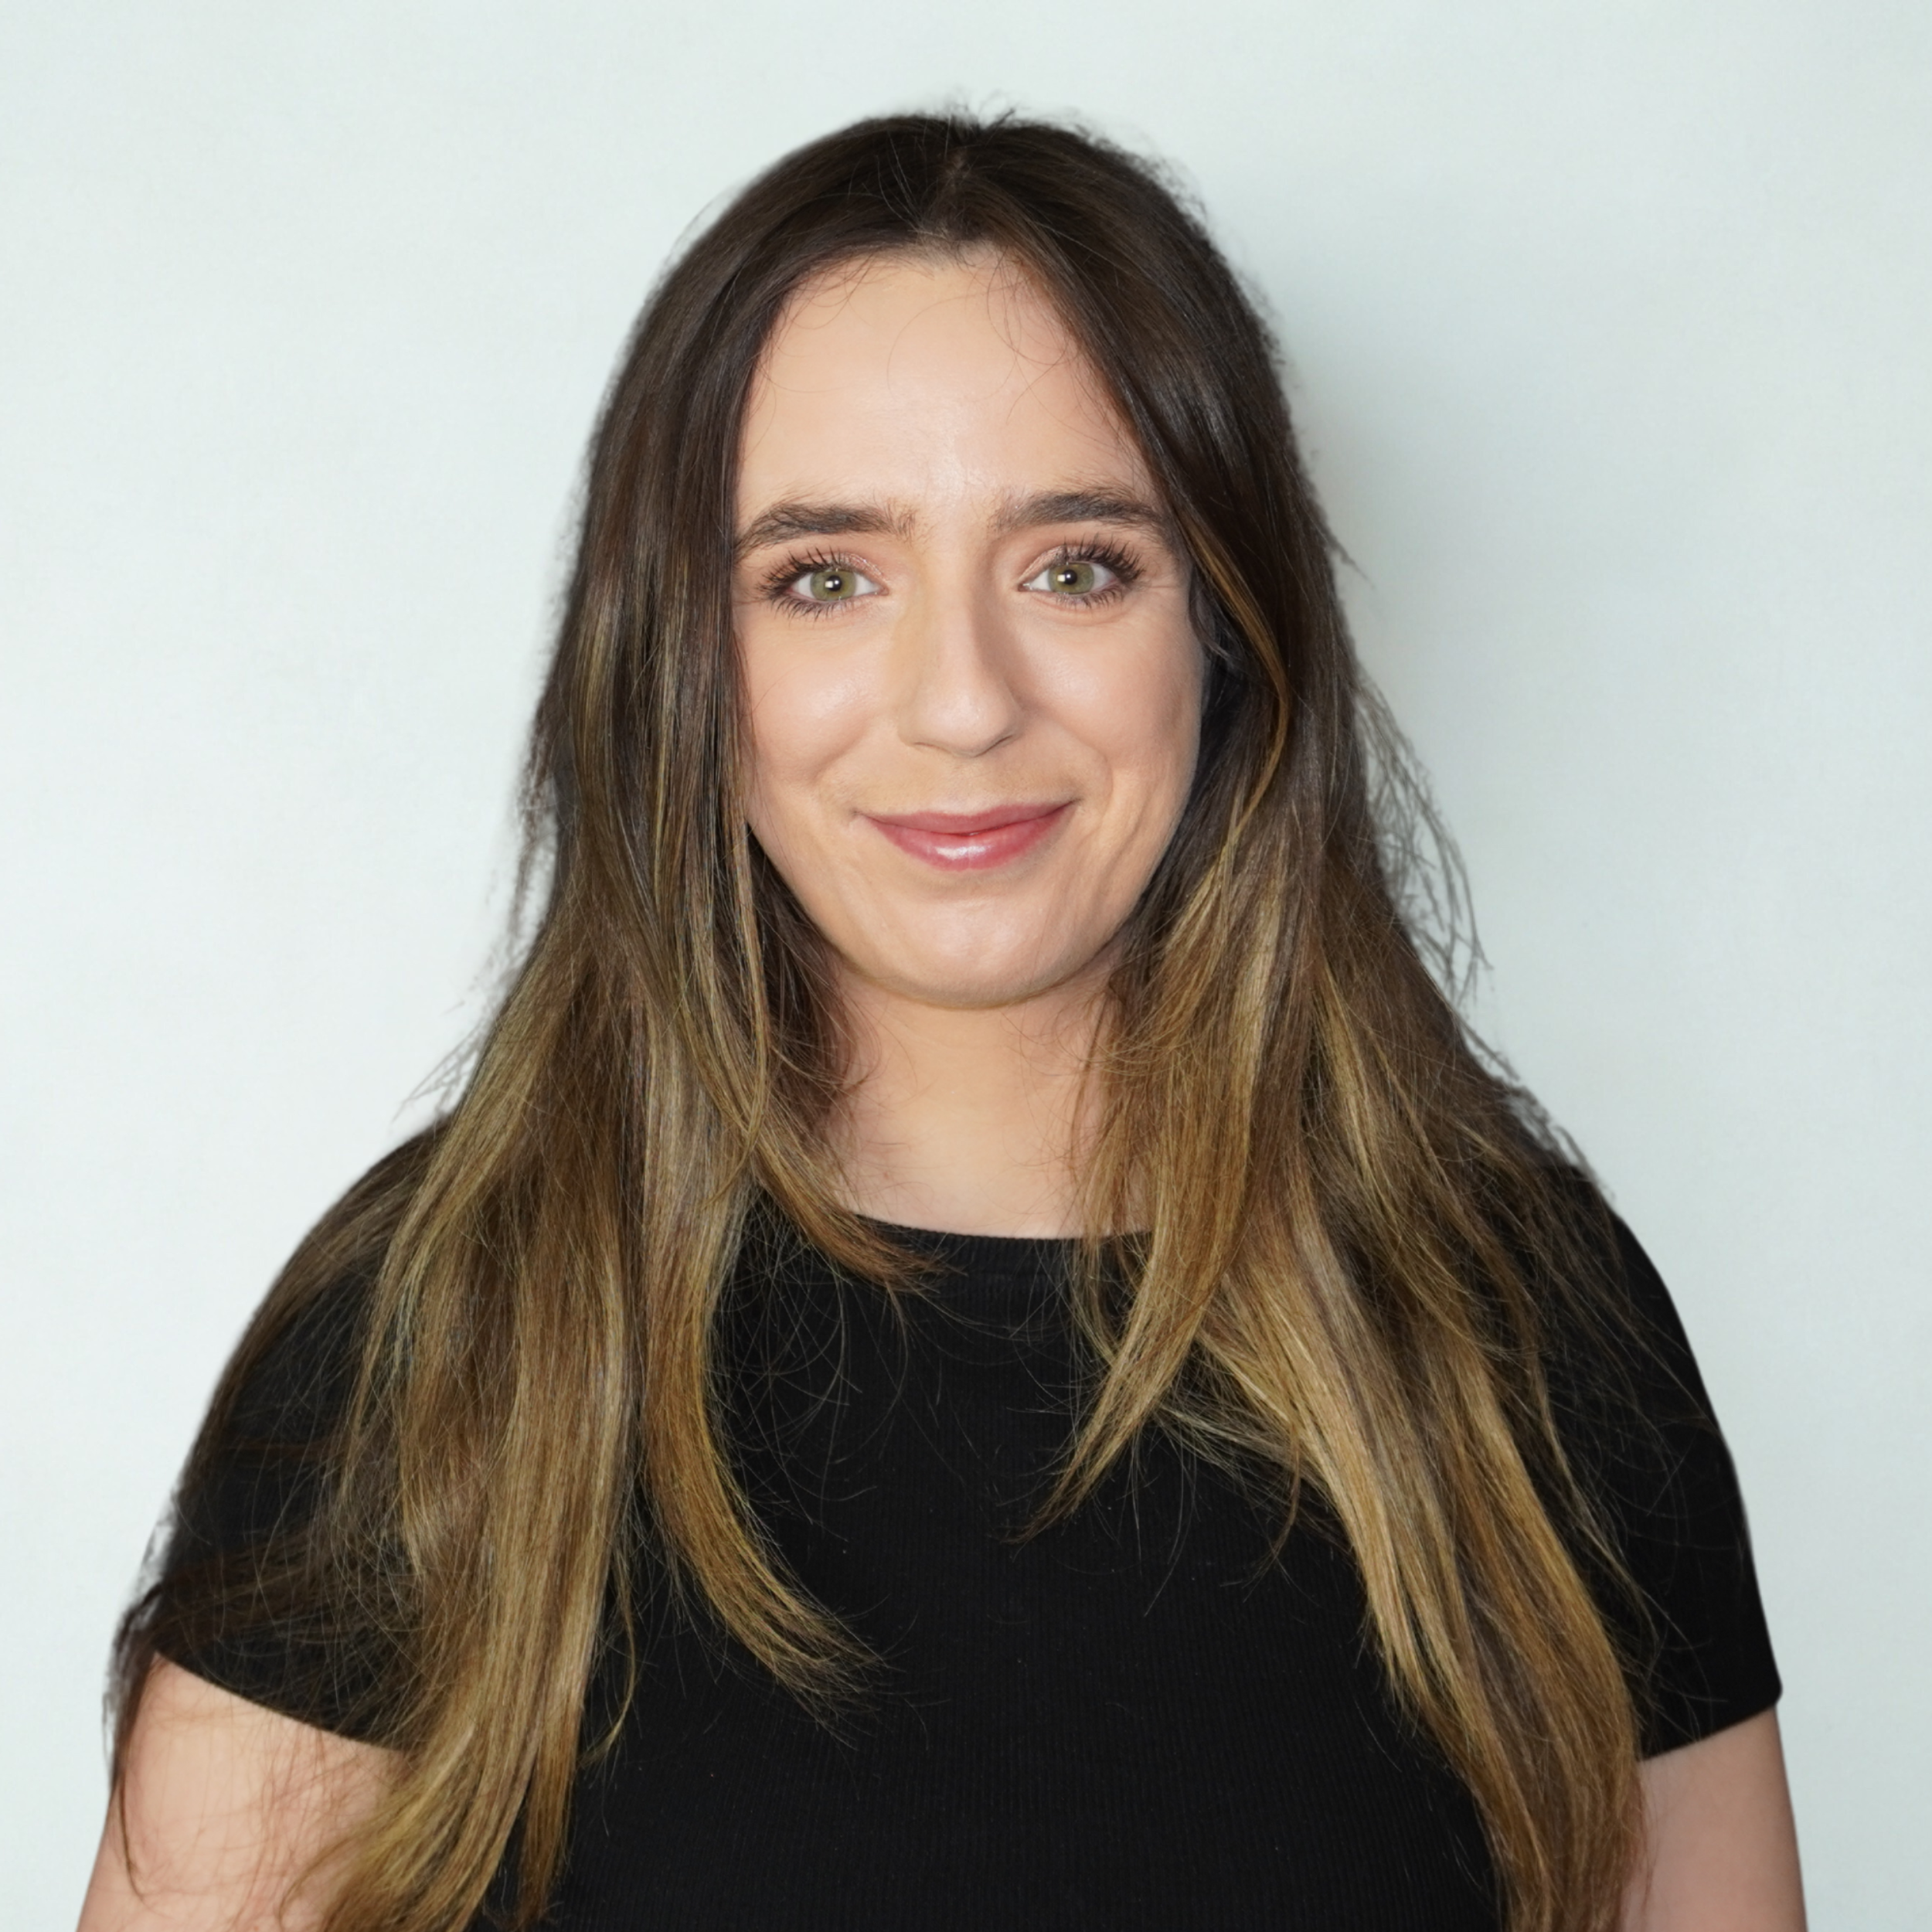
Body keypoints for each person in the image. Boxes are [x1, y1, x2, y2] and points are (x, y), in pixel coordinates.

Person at [79, 114, 1803, 1932]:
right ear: (679, 658)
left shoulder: (1519, 1323)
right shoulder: (434, 1331)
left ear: (1225, 628)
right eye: (825, 576)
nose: (961, 701)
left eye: (1075, 566)